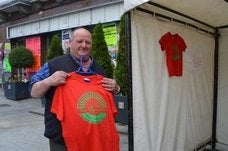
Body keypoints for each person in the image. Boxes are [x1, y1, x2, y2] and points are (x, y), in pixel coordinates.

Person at [28, 28, 120, 151]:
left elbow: (107, 101)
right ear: (70, 43)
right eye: (79, 41)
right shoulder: (53, 65)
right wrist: (49, 81)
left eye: (88, 42)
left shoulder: (100, 71)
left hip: (95, 140)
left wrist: (117, 88)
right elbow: (33, 92)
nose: (84, 45)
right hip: (61, 140)